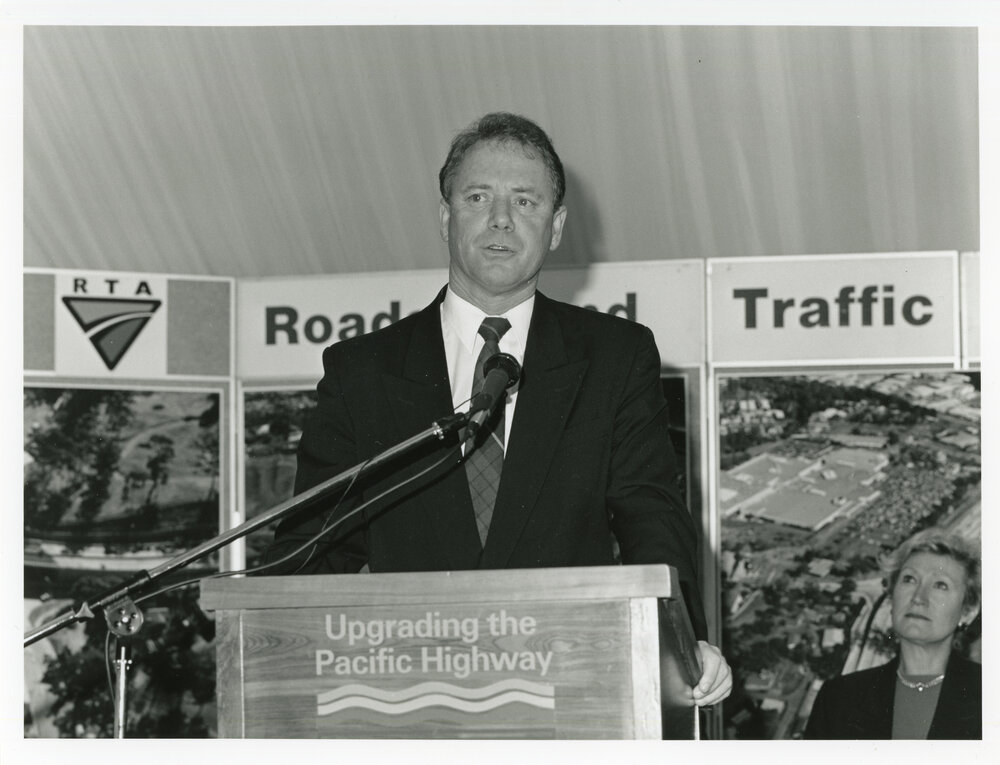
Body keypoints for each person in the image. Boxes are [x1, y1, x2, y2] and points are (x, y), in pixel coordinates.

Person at [264, 112, 731, 708]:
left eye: (526, 201)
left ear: (557, 226)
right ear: (445, 215)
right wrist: (267, 637)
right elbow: (315, 547)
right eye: (478, 196)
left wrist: (687, 643)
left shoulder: (614, 357)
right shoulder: (364, 371)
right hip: (408, 693)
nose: (501, 219)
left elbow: (651, 518)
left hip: (569, 685)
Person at [805, 528, 981, 739]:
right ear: (892, 597)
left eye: (940, 585)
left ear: (967, 611)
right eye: (909, 580)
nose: (919, 597)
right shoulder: (837, 699)